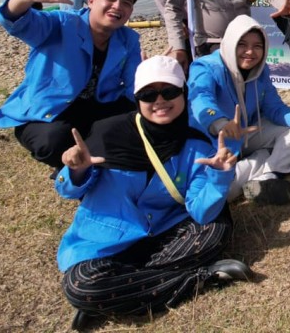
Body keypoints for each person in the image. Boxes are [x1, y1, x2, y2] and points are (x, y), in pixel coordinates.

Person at [56, 56, 250, 330]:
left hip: (161, 232)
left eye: (169, 91)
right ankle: (201, 278)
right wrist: (76, 170)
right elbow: (66, 189)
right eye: (148, 94)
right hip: (106, 242)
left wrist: (219, 176)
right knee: (82, 286)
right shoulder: (108, 133)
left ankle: (122, 292)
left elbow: (200, 211)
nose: (159, 100)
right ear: (137, 99)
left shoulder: (195, 145)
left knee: (216, 227)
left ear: (183, 94)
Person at [0, 0, 142, 169]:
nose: (117, 6)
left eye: (126, 2)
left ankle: (94, 157)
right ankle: (71, 165)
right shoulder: (61, 24)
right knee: (54, 142)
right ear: (90, 1)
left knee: (141, 121)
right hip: (49, 111)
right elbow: (14, 21)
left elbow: (135, 85)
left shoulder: (128, 39)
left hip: (96, 107)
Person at [189, 15, 290, 205]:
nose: (250, 52)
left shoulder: (260, 70)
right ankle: (258, 166)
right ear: (231, 42)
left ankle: (268, 176)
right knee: (223, 190)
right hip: (217, 143)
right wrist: (220, 123)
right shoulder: (206, 67)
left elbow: (275, 108)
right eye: (242, 44)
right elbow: (201, 99)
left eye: (257, 46)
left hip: (248, 131)